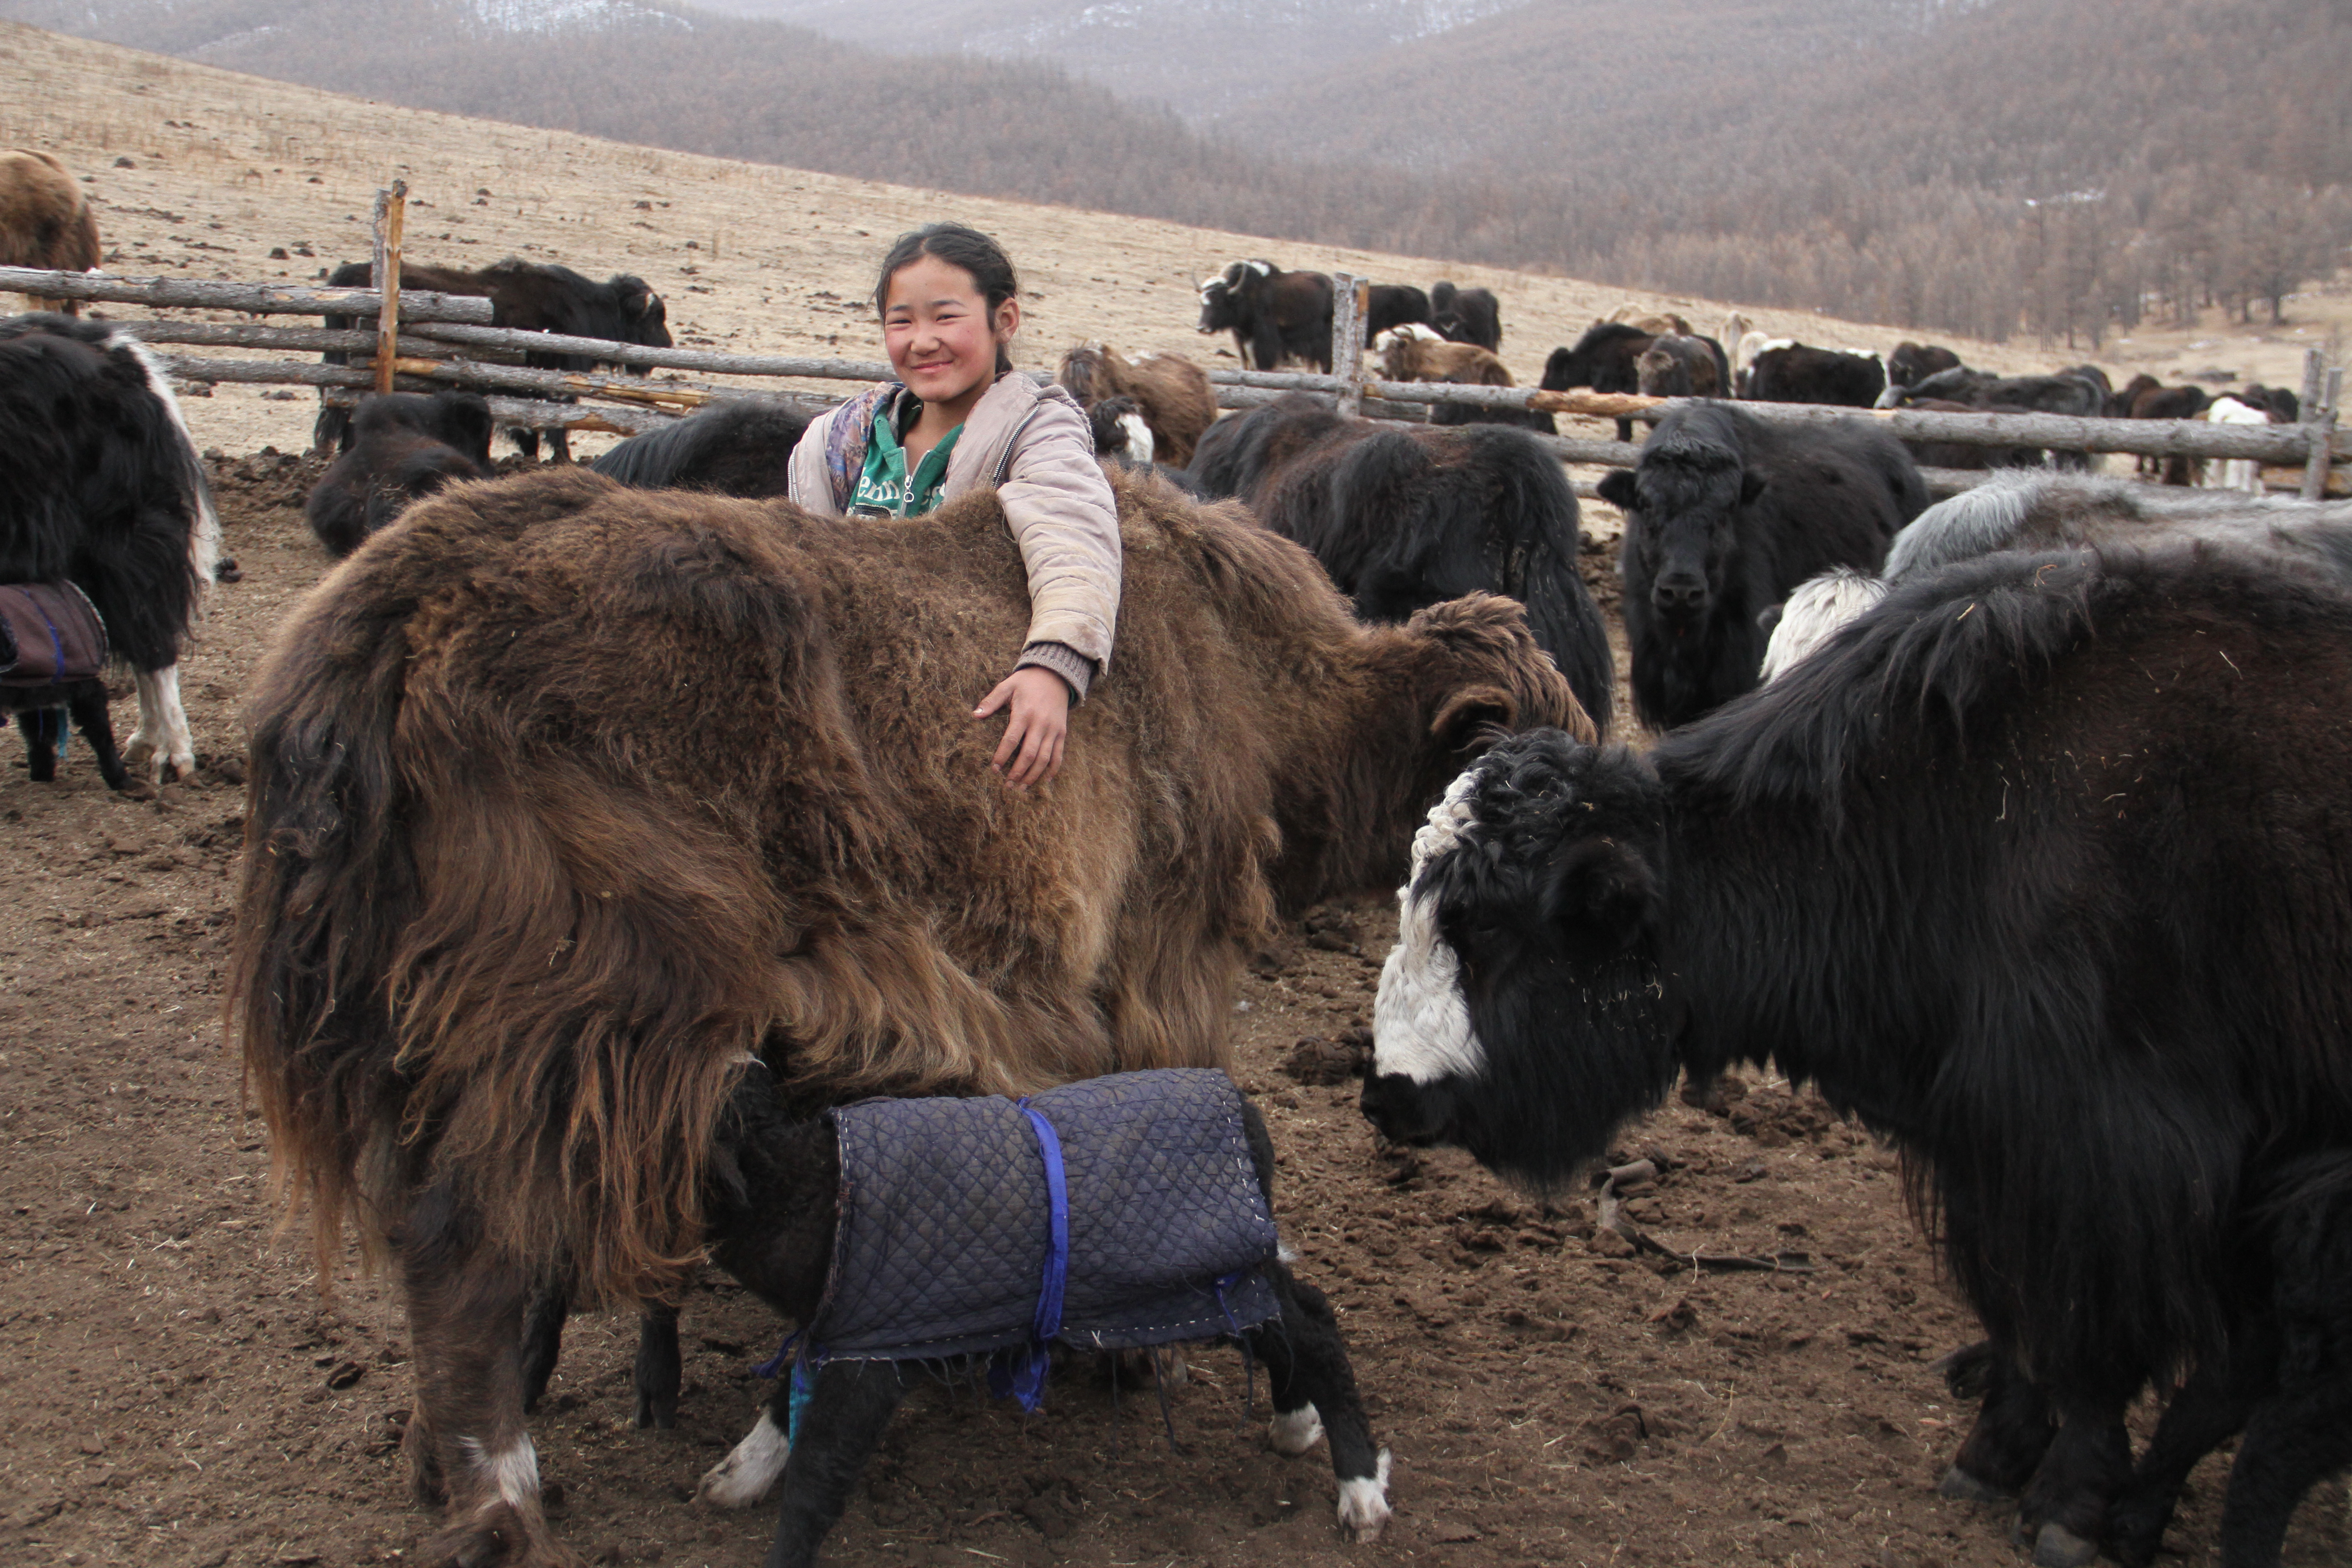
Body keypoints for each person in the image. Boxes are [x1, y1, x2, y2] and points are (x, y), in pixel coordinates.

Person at [788, 224, 1118, 789]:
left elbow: (1074, 537)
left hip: (966, 709)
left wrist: (1054, 665)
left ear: (1004, 320)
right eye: (901, 321)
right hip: (843, 711)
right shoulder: (835, 442)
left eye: (946, 317)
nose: (922, 340)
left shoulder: (1035, 432)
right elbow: (797, 565)